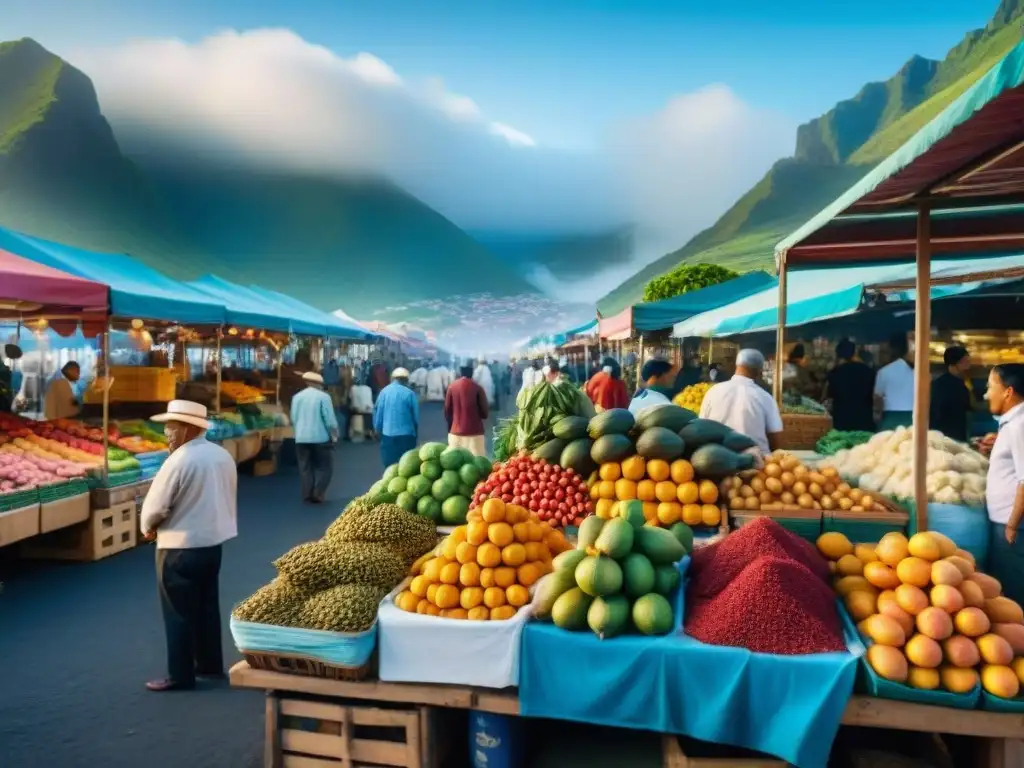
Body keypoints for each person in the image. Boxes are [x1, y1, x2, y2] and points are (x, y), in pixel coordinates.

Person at [140, 400, 237, 692]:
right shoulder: (222, 456)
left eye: (172, 426)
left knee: (178, 611)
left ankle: (180, 675)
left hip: (179, 546)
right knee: (206, 606)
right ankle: (209, 665)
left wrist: (147, 528)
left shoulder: (179, 460)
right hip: (212, 542)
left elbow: (156, 507)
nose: (167, 432)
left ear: (188, 428)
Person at [983, 364, 1024, 607]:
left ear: (1008, 392)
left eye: (990, 387)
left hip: (1012, 525)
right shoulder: (1013, 424)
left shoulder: (1019, 426)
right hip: (1008, 522)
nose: (987, 394)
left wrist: (1012, 525)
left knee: (1013, 591)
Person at [699, 349, 784, 456]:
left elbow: (701, 427)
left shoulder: (713, 391)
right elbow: (776, 438)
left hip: (718, 460)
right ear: (759, 371)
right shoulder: (765, 398)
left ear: (737, 365)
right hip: (756, 463)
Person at [290, 372, 339, 504]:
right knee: (326, 467)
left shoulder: (297, 397)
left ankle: (307, 494)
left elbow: (293, 418)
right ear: (319, 384)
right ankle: (318, 492)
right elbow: (330, 421)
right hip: (320, 438)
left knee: (305, 467)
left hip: (301, 438)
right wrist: (334, 435)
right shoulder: (324, 397)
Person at [825, 338, 876, 432]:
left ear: (837, 354)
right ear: (854, 353)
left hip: (842, 421)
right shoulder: (868, 371)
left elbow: (829, 396)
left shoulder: (834, 373)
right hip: (864, 420)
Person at [374, 367, 419, 468]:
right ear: (406, 380)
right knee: (407, 466)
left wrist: (377, 429)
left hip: (388, 435)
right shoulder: (410, 394)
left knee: (389, 466)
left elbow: (378, 413)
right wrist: (415, 432)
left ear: (393, 378)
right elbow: (415, 417)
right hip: (407, 436)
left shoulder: (384, 392)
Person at [930, 345, 975, 442]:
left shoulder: (963, 381)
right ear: (955, 363)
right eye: (965, 360)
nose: (969, 363)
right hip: (947, 435)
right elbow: (936, 412)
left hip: (957, 433)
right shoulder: (942, 384)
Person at [444, 365, 489, 456]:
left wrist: (450, 429)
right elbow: (485, 414)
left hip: (455, 433)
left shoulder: (452, 387)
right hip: (475, 434)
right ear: (472, 374)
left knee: (455, 466)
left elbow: (447, 411)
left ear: (460, 373)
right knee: (477, 465)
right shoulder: (478, 388)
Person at [874, 333, 915, 430]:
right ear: (906, 350)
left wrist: (878, 414)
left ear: (891, 349)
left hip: (890, 420)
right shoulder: (917, 372)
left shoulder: (883, 372)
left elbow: (877, 399)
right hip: (913, 420)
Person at [348, 375, 375, 443]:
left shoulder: (352, 388)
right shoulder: (368, 388)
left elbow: (350, 397)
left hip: (357, 410)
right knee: (369, 416)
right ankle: (369, 432)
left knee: (349, 414)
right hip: (368, 408)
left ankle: (352, 432)